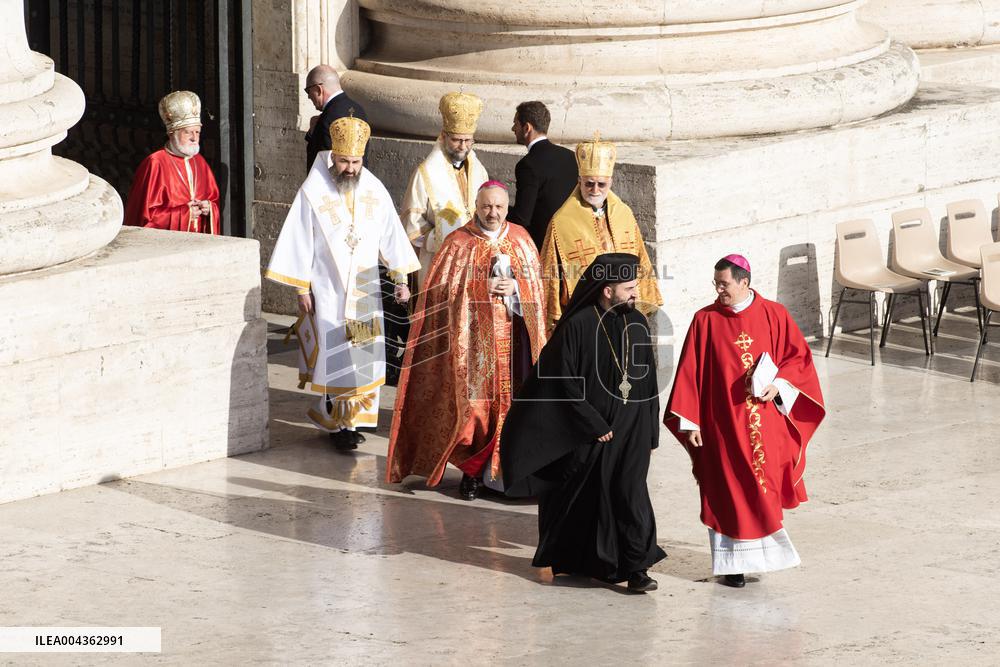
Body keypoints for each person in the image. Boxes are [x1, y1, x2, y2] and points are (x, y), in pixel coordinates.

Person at [501, 253, 666, 593]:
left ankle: (637, 568)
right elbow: (561, 381)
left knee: (630, 494)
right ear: (607, 290)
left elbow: (648, 380)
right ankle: (576, 560)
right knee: (582, 497)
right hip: (593, 433)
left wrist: (651, 428)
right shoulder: (578, 326)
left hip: (631, 429)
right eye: (629, 288)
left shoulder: (636, 321)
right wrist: (591, 423)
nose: (636, 293)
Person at [664, 255, 825, 588]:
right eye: (716, 284)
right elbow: (689, 373)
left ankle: (764, 557)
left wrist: (778, 385)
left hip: (764, 425)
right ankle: (731, 565)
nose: (719, 290)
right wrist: (690, 422)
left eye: (724, 284)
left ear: (744, 282)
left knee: (760, 487)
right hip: (721, 423)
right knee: (725, 489)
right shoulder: (704, 320)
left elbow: (798, 359)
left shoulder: (774, 314)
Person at [266, 116, 420, 450]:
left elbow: (390, 234)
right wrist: (301, 288)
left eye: (356, 161)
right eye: (345, 161)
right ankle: (338, 424)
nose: (351, 168)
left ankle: (354, 421)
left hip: (364, 290)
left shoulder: (373, 188)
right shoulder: (313, 191)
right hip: (329, 288)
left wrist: (399, 276)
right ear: (332, 156)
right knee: (336, 353)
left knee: (362, 354)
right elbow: (299, 241)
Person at [386, 181, 547, 500]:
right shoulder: (457, 243)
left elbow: (539, 291)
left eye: (500, 207)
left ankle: (509, 474)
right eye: (487, 206)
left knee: (514, 410)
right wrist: (481, 288)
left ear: (507, 207)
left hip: (515, 347)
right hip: (471, 349)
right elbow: (442, 296)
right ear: (477, 206)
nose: (493, 213)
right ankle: (472, 475)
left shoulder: (521, 239)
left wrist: (517, 290)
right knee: (474, 412)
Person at [540, 133, 661, 333]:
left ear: (610, 183)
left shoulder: (624, 214)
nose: (595, 190)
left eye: (601, 184)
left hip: (622, 307)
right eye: (589, 183)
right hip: (586, 313)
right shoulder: (561, 222)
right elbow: (549, 274)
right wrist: (554, 315)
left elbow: (640, 259)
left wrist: (644, 299)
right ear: (579, 181)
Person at [400, 92, 489, 285]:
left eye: (468, 141)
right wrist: (439, 238)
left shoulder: (479, 171)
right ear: (443, 136)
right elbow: (411, 223)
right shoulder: (425, 173)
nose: (462, 147)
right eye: (456, 140)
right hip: (438, 262)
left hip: (474, 259)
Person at [123, 91, 220, 234]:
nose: (194, 138)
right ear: (172, 134)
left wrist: (209, 208)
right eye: (188, 132)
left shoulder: (199, 162)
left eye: (197, 132)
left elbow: (214, 200)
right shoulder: (155, 163)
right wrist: (185, 214)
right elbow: (145, 219)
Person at [508, 101, 578, 249]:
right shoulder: (571, 156)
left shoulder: (528, 165)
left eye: (515, 123)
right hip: (574, 242)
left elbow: (522, 218)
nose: (513, 128)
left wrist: (500, 209)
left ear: (527, 128)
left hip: (544, 247)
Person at [303, 64, 368, 172]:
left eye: (308, 91)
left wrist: (312, 134)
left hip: (333, 185)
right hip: (358, 181)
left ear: (319, 89)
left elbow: (319, 161)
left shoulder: (326, 118)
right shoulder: (360, 110)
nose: (309, 96)